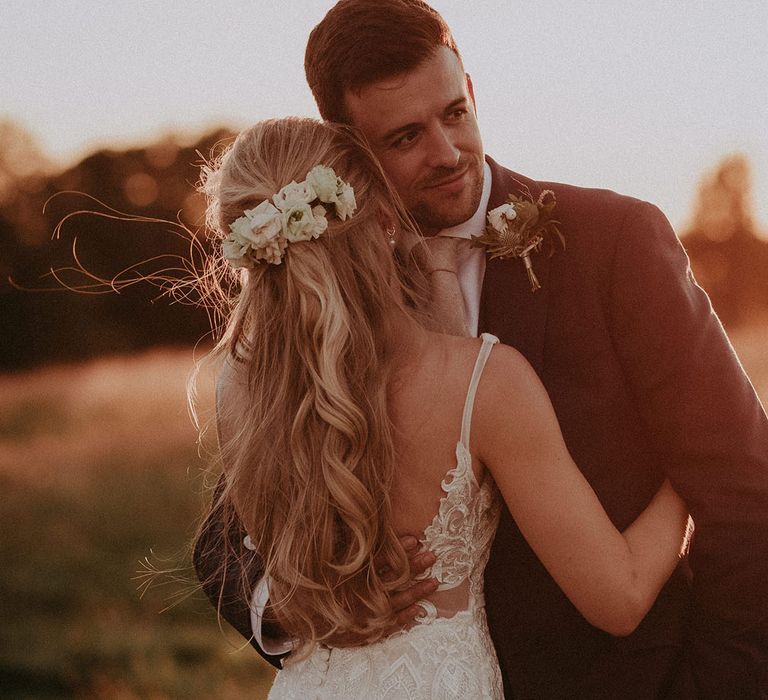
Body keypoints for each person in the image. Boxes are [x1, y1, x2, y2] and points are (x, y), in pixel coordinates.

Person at [196, 1, 768, 696]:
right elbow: (226, 539)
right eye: (405, 137)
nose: (445, 152)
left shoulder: (614, 242)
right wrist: (302, 607)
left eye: (455, 113)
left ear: (470, 88)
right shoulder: (311, 306)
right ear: (348, 156)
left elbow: (743, 487)